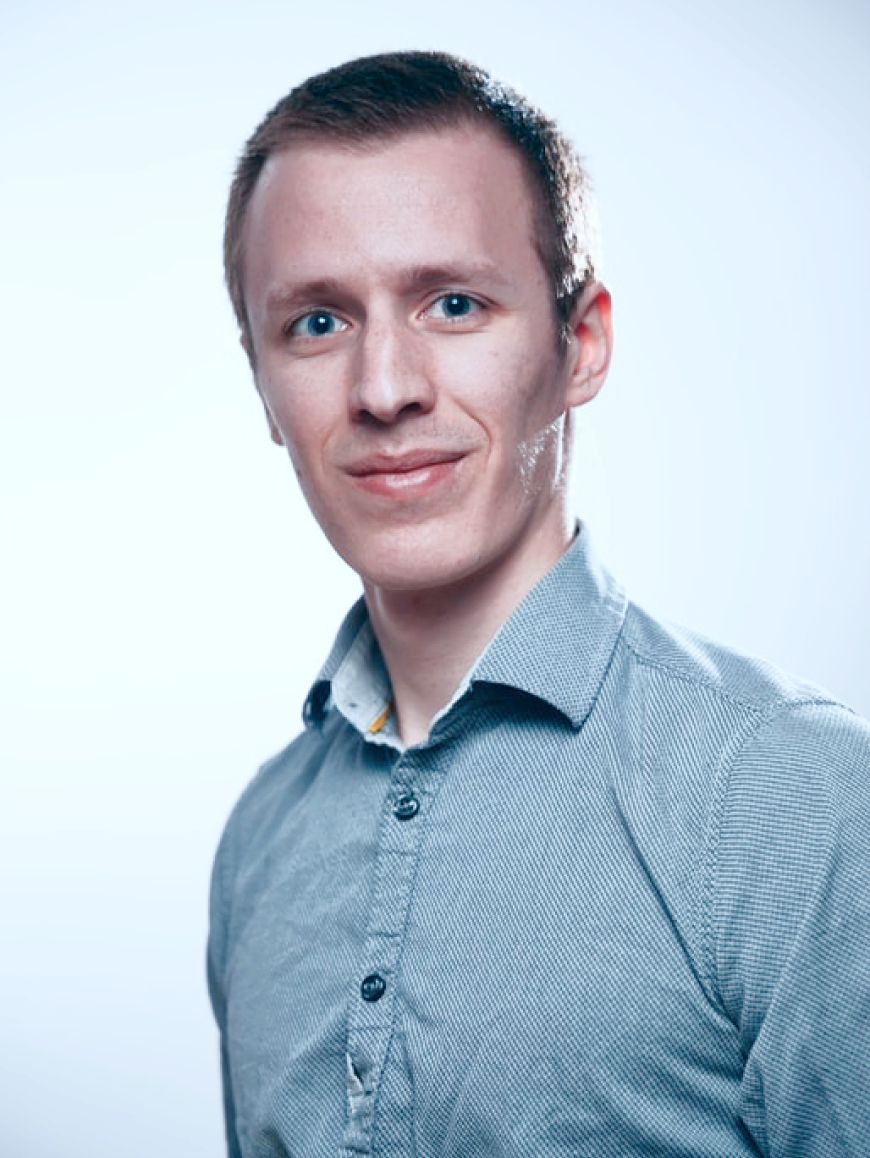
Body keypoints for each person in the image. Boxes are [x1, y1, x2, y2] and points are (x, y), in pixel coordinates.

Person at [207, 51, 869, 1158]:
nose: (384, 389)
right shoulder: (260, 842)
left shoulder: (792, 798)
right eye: (317, 323)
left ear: (581, 344)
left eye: (454, 304)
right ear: (263, 387)